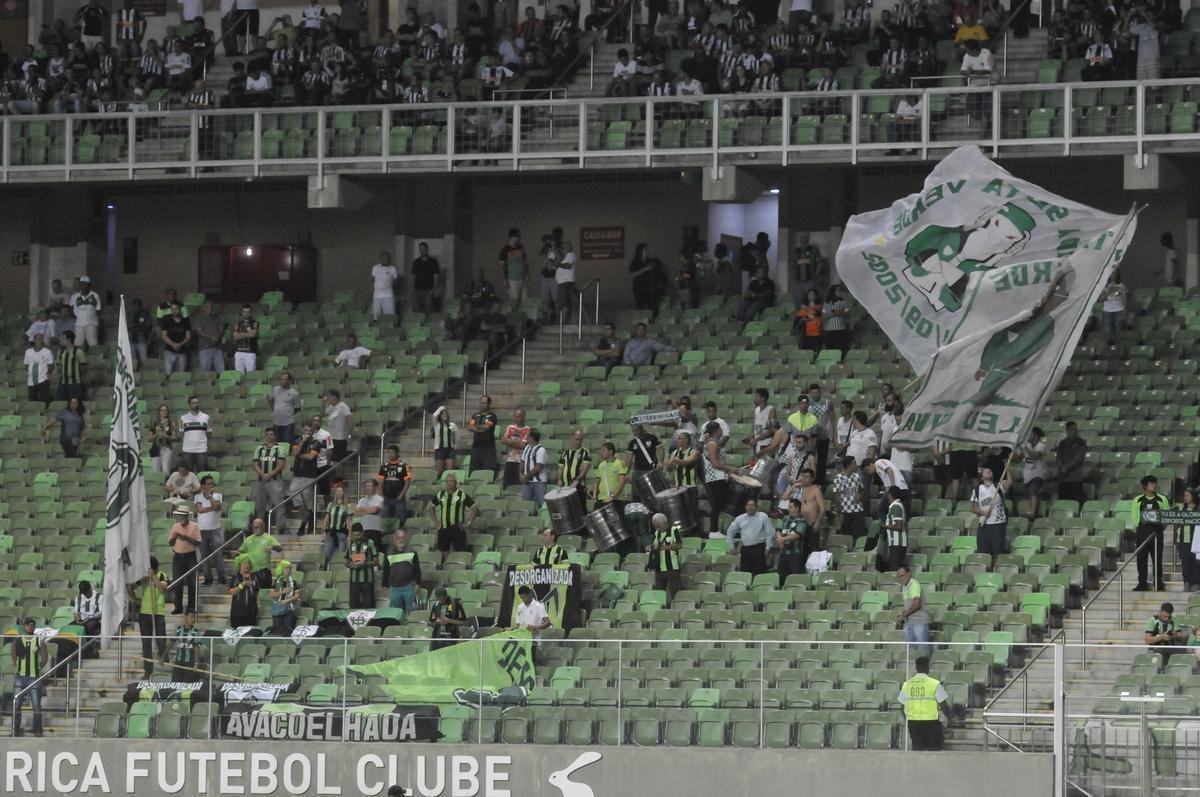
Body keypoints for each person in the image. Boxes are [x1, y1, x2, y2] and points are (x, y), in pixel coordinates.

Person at [899, 656, 947, 751]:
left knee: (917, 750)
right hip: (931, 722)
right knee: (933, 750)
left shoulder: (907, 684)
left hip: (913, 722)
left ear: (916, 668)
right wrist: (950, 718)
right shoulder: (935, 684)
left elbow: (901, 707)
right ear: (927, 667)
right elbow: (943, 705)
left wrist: (908, 719)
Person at [1132, 475, 1170, 592]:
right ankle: (1142, 583)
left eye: (1155, 483)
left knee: (1157, 560)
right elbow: (1134, 517)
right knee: (1141, 560)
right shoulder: (1137, 500)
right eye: (1151, 483)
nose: (1154, 485)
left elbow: (1167, 515)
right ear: (1145, 486)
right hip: (1142, 532)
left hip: (1157, 533)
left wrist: (1161, 527)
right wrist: (1139, 526)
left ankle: (1158, 583)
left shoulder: (1162, 499)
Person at [431, 474, 478, 567]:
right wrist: (435, 521)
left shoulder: (461, 494)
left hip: (457, 527)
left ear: (456, 483)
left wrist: (468, 523)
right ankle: (446, 567)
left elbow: (475, 507)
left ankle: (459, 568)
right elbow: (430, 507)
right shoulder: (440, 494)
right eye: (447, 481)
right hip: (443, 527)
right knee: (443, 550)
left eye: (451, 481)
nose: (449, 483)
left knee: (460, 551)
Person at [11, 617, 48, 736]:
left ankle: (37, 730)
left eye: (32, 625)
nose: (30, 626)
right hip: (20, 676)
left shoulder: (39, 640)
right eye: (28, 624)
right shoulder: (17, 640)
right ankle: (15, 730)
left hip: (34, 677)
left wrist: (37, 668)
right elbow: (13, 656)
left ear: (34, 626)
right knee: (16, 705)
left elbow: (45, 658)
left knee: (36, 705)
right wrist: (19, 667)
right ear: (24, 626)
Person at [971, 465, 1012, 566]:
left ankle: (996, 571)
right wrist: (983, 512)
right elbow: (973, 508)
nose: (988, 472)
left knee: (997, 552)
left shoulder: (998, 486)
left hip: (998, 525)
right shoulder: (977, 490)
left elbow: (1009, 483)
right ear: (982, 477)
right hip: (984, 526)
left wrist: (1008, 470)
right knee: (983, 552)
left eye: (990, 471)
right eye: (985, 471)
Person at [701, 421, 736, 537]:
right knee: (716, 505)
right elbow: (715, 463)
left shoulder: (711, 443)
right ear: (716, 430)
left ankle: (716, 530)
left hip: (717, 478)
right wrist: (729, 468)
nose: (722, 430)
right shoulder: (712, 444)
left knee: (719, 505)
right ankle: (714, 531)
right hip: (715, 478)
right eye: (720, 428)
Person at [136, 558, 169, 677]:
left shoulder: (162, 575)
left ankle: (165, 670)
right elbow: (132, 586)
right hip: (145, 614)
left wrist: (153, 576)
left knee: (161, 642)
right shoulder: (143, 578)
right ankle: (148, 671)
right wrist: (134, 598)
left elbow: (162, 588)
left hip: (158, 613)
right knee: (146, 643)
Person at [726, 497, 774, 575]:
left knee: (759, 572)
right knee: (745, 573)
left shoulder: (763, 516)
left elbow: (769, 532)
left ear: (756, 506)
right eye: (748, 505)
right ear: (745, 507)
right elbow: (730, 531)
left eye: (753, 505)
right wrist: (731, 546)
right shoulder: (740, 518)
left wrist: (768, 547)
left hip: (759, 548)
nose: (750, 507)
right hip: (745, 549)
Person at [194, 475, 228, 586]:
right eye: (208, 484)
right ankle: (208, 579)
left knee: (217, 555)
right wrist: (210, 508)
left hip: (215, 530)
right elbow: (199, 510)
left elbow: (217, 507)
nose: (211, 485)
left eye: (212, 483)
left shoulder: (217, 495)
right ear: (203, 485)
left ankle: (222, 577)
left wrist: (210, 497)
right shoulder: (198, 497)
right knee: (204, 556)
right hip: (202, 530)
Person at [290, 422, 323, 535]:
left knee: (307, 500)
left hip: (308, 475)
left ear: (313, 432)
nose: (307, 434)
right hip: (297, 475)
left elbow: (310, 457)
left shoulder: (317, 442)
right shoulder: (297, 440)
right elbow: (294, 452)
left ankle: (303, 525)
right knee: (294, 495)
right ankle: (308, 518)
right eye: (305, 431)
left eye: (309, 432)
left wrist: (299, 455)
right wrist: (302, 442)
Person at [168, 506, 201, 614]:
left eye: (180, 515)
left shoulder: (194, 526)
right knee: (177, 582)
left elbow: (198, 542)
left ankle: (191, 606)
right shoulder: (175, 526)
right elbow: (170, 543)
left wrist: (186, 538)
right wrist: (175, 537)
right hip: (177, 556)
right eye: (178, 515)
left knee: (192, 583)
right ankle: (178, 607)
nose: (178, 516)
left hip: (190, 556)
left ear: (186, 516)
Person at [252, 427, 287, 529]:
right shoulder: (259, 449)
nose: (269, 436)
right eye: (267, 434)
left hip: (275, 480)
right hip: (261, 480)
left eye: (271, 434)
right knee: (260, 506)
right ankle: (260, 527)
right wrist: (262, 474)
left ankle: (281, 527)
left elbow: (280, 465)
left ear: (275, 435)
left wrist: (269, 474)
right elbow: (255, 463)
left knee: (279, 505)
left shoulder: (279, 448)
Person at [234, 517, 282, 588]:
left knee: (264, 593)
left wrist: (273, 546)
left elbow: (280, 548)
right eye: (254, 527)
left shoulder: (269, 538)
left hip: (264, 571)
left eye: (257, 527)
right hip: (251, 572)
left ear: (263, 527)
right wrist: (235, 553)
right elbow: (241, 551)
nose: (255, 529)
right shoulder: (248, 539)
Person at [385, 529, 422, 614]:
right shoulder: (389, 553)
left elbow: (417, 569)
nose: (400, 540)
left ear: (406, 539)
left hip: (409, 587)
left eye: (403, 537)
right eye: (398, 538)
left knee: (411, 612)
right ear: (394, 539)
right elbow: (386, 570)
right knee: (395, 613)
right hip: (394, 588)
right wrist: (385, 585)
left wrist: (418, 584)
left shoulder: (412, 552)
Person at [898, 565, 931, 658]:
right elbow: (908, 604)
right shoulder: (904, 587)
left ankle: (925, 669)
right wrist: (903, 612)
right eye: (899, 576)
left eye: (902, 575)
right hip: (909, 622)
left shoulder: (914, 585)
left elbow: (917, 604)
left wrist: (904, 615)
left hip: (919, 622)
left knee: (922, 648)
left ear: (908, 574)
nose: (901, 578)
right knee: (910, 650)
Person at [647, 513, 682, 599]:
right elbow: (654, 546)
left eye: (658, 526)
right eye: (655, 526)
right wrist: (649, 547)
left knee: (674, 593)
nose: (657, 528)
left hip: (672, 568)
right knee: (659, 595)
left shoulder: (674, 530)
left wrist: (665, 547)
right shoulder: (656, 533)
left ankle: (675, 610)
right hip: (659, 569)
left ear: (665, 523)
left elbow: (679, 545)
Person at [162, 611, 202, 683]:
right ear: (185, 617)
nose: (193, 619)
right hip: (178, 663)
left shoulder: (196, 632)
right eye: (191, 617)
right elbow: (170, 643)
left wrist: (196, 664)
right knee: (175, 684)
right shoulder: (178, 629)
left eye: (194, 617)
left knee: (187, 687)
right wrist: (163, 656)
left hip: (190, 663)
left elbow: (196, 649)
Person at [832, 456, 867, 539]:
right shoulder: (838, 478)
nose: (856, 465)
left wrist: (860, 495)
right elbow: (837, 498)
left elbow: (862, 490)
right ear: (849, 465)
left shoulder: (857, 476)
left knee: (860, 534)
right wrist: (839, 514)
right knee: (846, 535)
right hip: (845, 511)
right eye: (854, 463)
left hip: (858, 510)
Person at [775, 498, 810, 581]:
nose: (788, 509)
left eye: (790, 507)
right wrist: (779, 539)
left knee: (795, 578)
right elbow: (778, 530)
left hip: (795, 554)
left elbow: (797, 535)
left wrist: (781, 540)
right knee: (781, 578)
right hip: (783, 554)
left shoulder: (802, 521)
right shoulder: (785, 518)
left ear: (797, 508)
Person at [378, 445, 412, 526]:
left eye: (392, 452)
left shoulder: (404, 466)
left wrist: (401, 494)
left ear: (397, 453)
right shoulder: (384, 466)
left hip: (399, 499)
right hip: (387, 499)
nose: (390, 454)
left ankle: (403, 534)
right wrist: (382, 495)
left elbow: (407, 482)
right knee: (385, 521)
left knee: (402, 519)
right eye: (389, 452)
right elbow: (380, 482)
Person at [1174, 487, 1200, 591]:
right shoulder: (1179, 508)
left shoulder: (1198, 509)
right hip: (1182, 541)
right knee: (1185, 563)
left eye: (1187, 495)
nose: (1185, 497)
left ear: (1193, 496)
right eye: (1184, 495)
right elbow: (1168, 516)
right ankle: (1187, 582)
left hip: (1197, 541)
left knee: (1196, 563)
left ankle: (1196, 583)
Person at [1055, 421, 1087, 503]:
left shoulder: (1081, 442)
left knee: (1075, 502)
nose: (1075, 431)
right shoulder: (1062, 443)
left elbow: (1079, 458)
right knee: (1063, 501)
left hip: (1075, 478)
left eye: (1076, 429)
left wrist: (1066, 467)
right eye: (1072, 429)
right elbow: (1058, 457)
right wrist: (1061, 466)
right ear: (1067, 431)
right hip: (1063, 478)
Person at [556, 429, 592, 502]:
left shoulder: (584, 452)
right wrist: (559, 480)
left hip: (578, 487)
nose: (579, 442)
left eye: (580, 440)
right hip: (565, 487)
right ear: (572, 438)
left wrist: (577, 481)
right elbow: (560, 468)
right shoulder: (565, 453)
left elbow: (585, 469)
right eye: (577, 439)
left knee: (579, 511)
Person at [877, 486, 907, 572]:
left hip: (897, 543)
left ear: (890, 494)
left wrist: (884, 526)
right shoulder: (896, 506)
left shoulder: (896, 507)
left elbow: (899, 526)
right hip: (895, 543)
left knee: (895, 569)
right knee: (893, 568)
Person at [179, 396, 212, 472]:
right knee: (187, 473)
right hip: (187, 450)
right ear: (189, 404)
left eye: (197, 402)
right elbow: (181, 434)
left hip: (201, 450)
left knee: (202, 473)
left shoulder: (206, 417)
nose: (196, 404)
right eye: (193, 403)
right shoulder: (183, 418)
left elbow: (209, 433)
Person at [322, 484, 352, 568]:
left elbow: (350, 521)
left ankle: (338, 570)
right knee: (327, 553)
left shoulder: (347, 506)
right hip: (331, 532)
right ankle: (326, 570)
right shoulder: (331, 505)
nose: (339, 493)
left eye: (341, 491)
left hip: (342, 533)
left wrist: (349, 535)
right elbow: (326, 519)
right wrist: (324, 531)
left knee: (340, 555)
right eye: (337, 491)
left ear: (343, 493)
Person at [501, 407, 531, 488]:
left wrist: (510, 441)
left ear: (524, 417)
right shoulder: (510, 427)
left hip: (521, 462)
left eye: (518, 416)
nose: (516, 419)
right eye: (515, 416)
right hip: (510, 460)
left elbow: (523, 446)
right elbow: (503, 440)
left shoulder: (528, 430)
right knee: (507, 485)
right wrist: (517, 442)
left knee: (518, 486)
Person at [268, 370, 302, 443]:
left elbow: (298, 407)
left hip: (288, 423)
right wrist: (274, 409)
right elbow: (270, 399)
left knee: (287, 443)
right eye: (280, 379)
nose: (281, 381)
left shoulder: (294, 393)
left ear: (289, 381)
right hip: (276, 422)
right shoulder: (275, 389)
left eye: (283, 380)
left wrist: (289, 413)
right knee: (276, 443)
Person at [1021, 427, 1047, 519]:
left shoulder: (1041, 445)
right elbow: (1019, 458)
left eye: (1030, 434)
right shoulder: (1027, 446)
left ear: (1036, 436)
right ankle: (1035, 513)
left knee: (1033, 490)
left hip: (1038, 475)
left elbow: (1035, 456)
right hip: (1027, 476)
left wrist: (1024, 447)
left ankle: (1032, 513)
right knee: (1030, 494)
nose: (1028, 436)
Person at [593, 441, 629, 509]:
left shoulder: (619, 463)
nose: (602, 453)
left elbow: (622, 482)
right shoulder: (601, 465)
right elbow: (597, 481)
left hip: (616, 499)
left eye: (604, 450)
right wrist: (594, 495)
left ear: (611, 451)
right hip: (602, 499)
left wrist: (612, 496)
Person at [467, 395, 498, 474]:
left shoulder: (492, 416)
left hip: (488, 449)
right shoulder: (475, 415)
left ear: (489, 404)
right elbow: (470, 427)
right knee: (474, 471)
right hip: (476, 447)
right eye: (481, 403)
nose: (482, 404)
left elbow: (486, 428)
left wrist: (476, 427)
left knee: (487, 471)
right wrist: (480, 428)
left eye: (484, 403)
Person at [69, 275, 102, 349]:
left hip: (91, 324)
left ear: (89, 285)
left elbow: (98, 310)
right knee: (78, 346)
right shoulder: (75, 296)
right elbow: (71, 309)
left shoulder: (95, 296)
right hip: (78, 324)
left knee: (93, 345)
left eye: (85, 284)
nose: (83, 286)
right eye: (81, 284)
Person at [498, 228, 528, 308]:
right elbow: (502, 266)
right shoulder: (505, 250)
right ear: (513, 237)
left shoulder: (520, 247)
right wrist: (504, 279)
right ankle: (514, 317)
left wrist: (527, 274)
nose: (520, 238)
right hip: (511, 279)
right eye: (518, 236)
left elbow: (525, 261)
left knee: (524, 300)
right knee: (514, 300)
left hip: (522, 278)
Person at [519, 429, 549, 508]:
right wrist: (521, 474)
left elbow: (538, 467)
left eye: (527, 436)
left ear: (531, 438)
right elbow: (522, 461)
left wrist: (526, 476)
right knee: (525, 505)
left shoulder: (541, 450)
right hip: (527, 481)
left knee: (542, 504)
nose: (526, 437)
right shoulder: (527, 448)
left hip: (539, 482)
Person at [269, 560, 300, 635]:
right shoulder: (276, 582)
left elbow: (297, 596)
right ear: (281, 569)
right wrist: (283, 591)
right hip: (278, 608)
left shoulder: (293, 582)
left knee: (287, 627)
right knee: (276, 628)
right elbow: (271, 594)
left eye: (289, 568)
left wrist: (287, 601)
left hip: (289, 608)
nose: (288, 570)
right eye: (286, 568)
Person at [54, 330, 87, 401]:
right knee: (61, 403)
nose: (61, 340)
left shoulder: (78, 352)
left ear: (69, 340)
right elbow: (58, 367)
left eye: (63, 338)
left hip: (75, 384)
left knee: (75, 403)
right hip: (62, 383)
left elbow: (83, 368)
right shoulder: (60, 352)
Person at [72, 580, 103, 654]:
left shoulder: (99, 597)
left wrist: (88, 619)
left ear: (90, 589)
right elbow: (76, 611)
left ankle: (89, 649)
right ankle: (73, 649)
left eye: (86, 592)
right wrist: (77, 617)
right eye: (83, 593)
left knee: (88, 626)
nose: (85, 594)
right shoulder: (79, 597)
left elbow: (100, 613)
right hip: (82, 620)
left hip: (95, 620)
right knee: (71, 626)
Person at [228, 557, 260, 628]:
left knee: (250, 635)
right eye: (244, 563)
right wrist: (243, 584)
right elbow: (231, 592)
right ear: (240, 565)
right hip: (238, 613)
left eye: (248, 563)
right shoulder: (236, 576)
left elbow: (257, 592)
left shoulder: (254, 576)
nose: (246, 565)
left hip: (251, 612)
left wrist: (258, 605)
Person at [23, 333, 53, 406]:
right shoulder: (28, 352)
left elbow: (51, 365)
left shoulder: (47, 352)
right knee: (33, 401)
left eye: (41, 339)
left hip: (43, 380)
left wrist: (47, 373)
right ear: (34, 340)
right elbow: (26, 365)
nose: (40, 340)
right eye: (38, 339)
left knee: (45, 401)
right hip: (31, 380)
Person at [430, 406, 458, 479]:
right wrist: (441, 408)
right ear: (440, 416)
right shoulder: (437, 425)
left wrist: (454, 447)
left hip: (450, 450)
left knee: (450, 471)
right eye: (443, 414)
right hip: (440, 450)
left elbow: (456, 437)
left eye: (446, 413)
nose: (445, 415)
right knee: (438, 472)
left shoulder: (452, 425)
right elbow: (434, 415)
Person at [232, 304, 260, 373]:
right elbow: (235, 337)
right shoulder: (237, 323)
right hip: (239, 352)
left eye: (248, 312)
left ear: (250, 313)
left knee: (251, 374)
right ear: (241, 312)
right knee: (239, 374)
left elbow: (253, 335)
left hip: (250, 352)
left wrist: (241, 334)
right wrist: (247, 334)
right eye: (244, 312)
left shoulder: (255, 323)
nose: (246, 314)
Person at [370, 251, 398, 319]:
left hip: (388, 295)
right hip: (377, 295)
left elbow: (395, 281)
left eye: (388, 258)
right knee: (376, 315)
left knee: (389, 315)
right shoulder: (375, 268)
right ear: (381, 259)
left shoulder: (393, 269)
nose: (386, 260)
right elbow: (373, 279)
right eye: (385, 258)